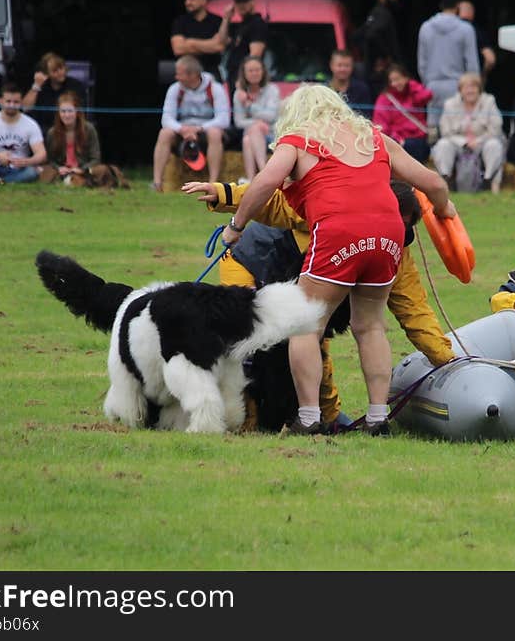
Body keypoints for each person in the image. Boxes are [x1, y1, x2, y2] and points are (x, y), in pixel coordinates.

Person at [194, 84, 454, 436]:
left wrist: (235, 226)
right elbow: (433, 182)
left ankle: (310, 417)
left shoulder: (298, 140)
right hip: (388, 235)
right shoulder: (374, 138)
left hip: (338, 233)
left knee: (306, 325)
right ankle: (378, 418)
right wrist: (444, 209)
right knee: (371, 327)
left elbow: (266, 182)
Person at [182, 178, 456, 429]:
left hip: (300, 280)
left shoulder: (394, 250)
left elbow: (415, 311)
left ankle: (329, 416)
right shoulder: (329, 209)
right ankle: (243, 420)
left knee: (314, 339)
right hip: (249, 264)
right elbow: (274, 199)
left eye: (402, 229)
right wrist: (222, 194)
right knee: (249, 346)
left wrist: (449, 360)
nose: (392, 230)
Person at [152, 55, 230, 192]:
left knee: (215, 133)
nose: (176, 77)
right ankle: (157, 183)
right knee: (165, 133)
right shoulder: (175, 89)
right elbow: (166, 118)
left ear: (193, 75)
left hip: (206, 130)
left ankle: (213, 183)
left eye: (180, 74)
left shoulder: (215, 88)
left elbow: (224, 119)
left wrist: (199, 129)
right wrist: (183, 129)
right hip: (183, 130)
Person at [431, 72, 505, 192]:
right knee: (443, 145)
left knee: (494, 145)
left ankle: (490, 182)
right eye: (466, 87)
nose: (470, 91)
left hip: (482, 142)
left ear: (479, 89)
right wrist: (464, 142)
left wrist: (477, 141)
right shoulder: (450, 104)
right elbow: (445, 131)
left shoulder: (489, 101)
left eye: (474, 87)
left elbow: (496, 128)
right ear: (460, 90)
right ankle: (445, 181)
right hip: (458, 143)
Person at [417, 0, 480, 128]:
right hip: (458, 86)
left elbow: (422, 63)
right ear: (458, 6)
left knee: (434, 130)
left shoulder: (425, 28)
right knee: (459, 129)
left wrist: (427, 83)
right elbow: (472, 65)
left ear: (440, 4)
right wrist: (473, 87)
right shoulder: (466, 29)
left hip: (432, 86)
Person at [352, 0, 403, 98]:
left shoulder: (374, 13)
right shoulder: (382, 14)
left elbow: (357, 36)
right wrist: (385, 57)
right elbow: (370, 35)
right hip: (381, 77)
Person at [170, 0, 232, 81]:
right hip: (187, 72)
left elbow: (219, 46)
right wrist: (210, 44)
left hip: (211, 71)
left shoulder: (217, 21)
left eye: (192, 0)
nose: (188, 3)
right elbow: (178, 49)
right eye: (187, 0)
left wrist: (190, 43)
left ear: (204, 0)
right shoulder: (180, 21)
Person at [372, 64, 433, 163]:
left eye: (398, 79)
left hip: (419, 140)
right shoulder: (385, 98)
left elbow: (427, 95)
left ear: (406, 78)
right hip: (398, 141)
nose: (395, 83)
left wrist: (412, 85)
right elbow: (381, 125)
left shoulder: (413, 94)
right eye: (391, 81)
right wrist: (397, 138)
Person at [233, 55, 280, 183]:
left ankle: (257, 176)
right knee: (249, 137)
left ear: (263, 71)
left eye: (257, 70)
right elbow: (238, 122)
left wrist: (250, 105)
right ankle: (259, 176)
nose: (254, 73)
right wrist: (256, 122)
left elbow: (271, 117)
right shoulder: (239, 94)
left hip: (271, 133)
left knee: (251, 132)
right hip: (252, 134)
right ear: (244, 73)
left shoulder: (272, 90)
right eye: (250, 70)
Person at [40, 92, 102, 183]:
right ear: (58, 113)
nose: (67, 115)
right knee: (46, 171)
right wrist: (59, 168)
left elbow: (96, 158)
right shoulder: (52, 132)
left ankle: (76, 180)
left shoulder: (89, 129)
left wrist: (82, 169)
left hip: (83, 169)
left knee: (102, 170)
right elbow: (50, 160)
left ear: (77, 112)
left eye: (70, 111)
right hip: (62, 171)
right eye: (63, 111)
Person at [22, 52, 87, 132]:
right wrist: (36, 85)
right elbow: (25, 108)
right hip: (44, 130)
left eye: (61, 68)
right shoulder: (41, 87)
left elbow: (81, 113)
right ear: (47, 73)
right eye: (55, 70)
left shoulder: (76, 86)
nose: (60, 72)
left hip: (69, 129)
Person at [224, 0, 268, 103]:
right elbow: (221, 42)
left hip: (245, 79)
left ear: (252, 2)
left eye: (244, 2)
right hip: (233, 75)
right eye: (238, 3)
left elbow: (255, 54)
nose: (241, 6)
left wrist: (242, 79)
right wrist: (226, 19)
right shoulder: (241, 25)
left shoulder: (257, 24)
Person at [457, 0, 497, 82]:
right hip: (471, 82)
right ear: (472, 12)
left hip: (450, 81)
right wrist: (482, 75)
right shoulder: (477, 31)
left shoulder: (444, 32)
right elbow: (490, 59)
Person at [327, 49, 373, 119]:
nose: (343, 69)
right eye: (339, 65)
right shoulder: (324, 90)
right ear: (331, 65)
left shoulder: (362, 89)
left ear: (352, 67)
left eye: (347, 65)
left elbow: (367, 117)